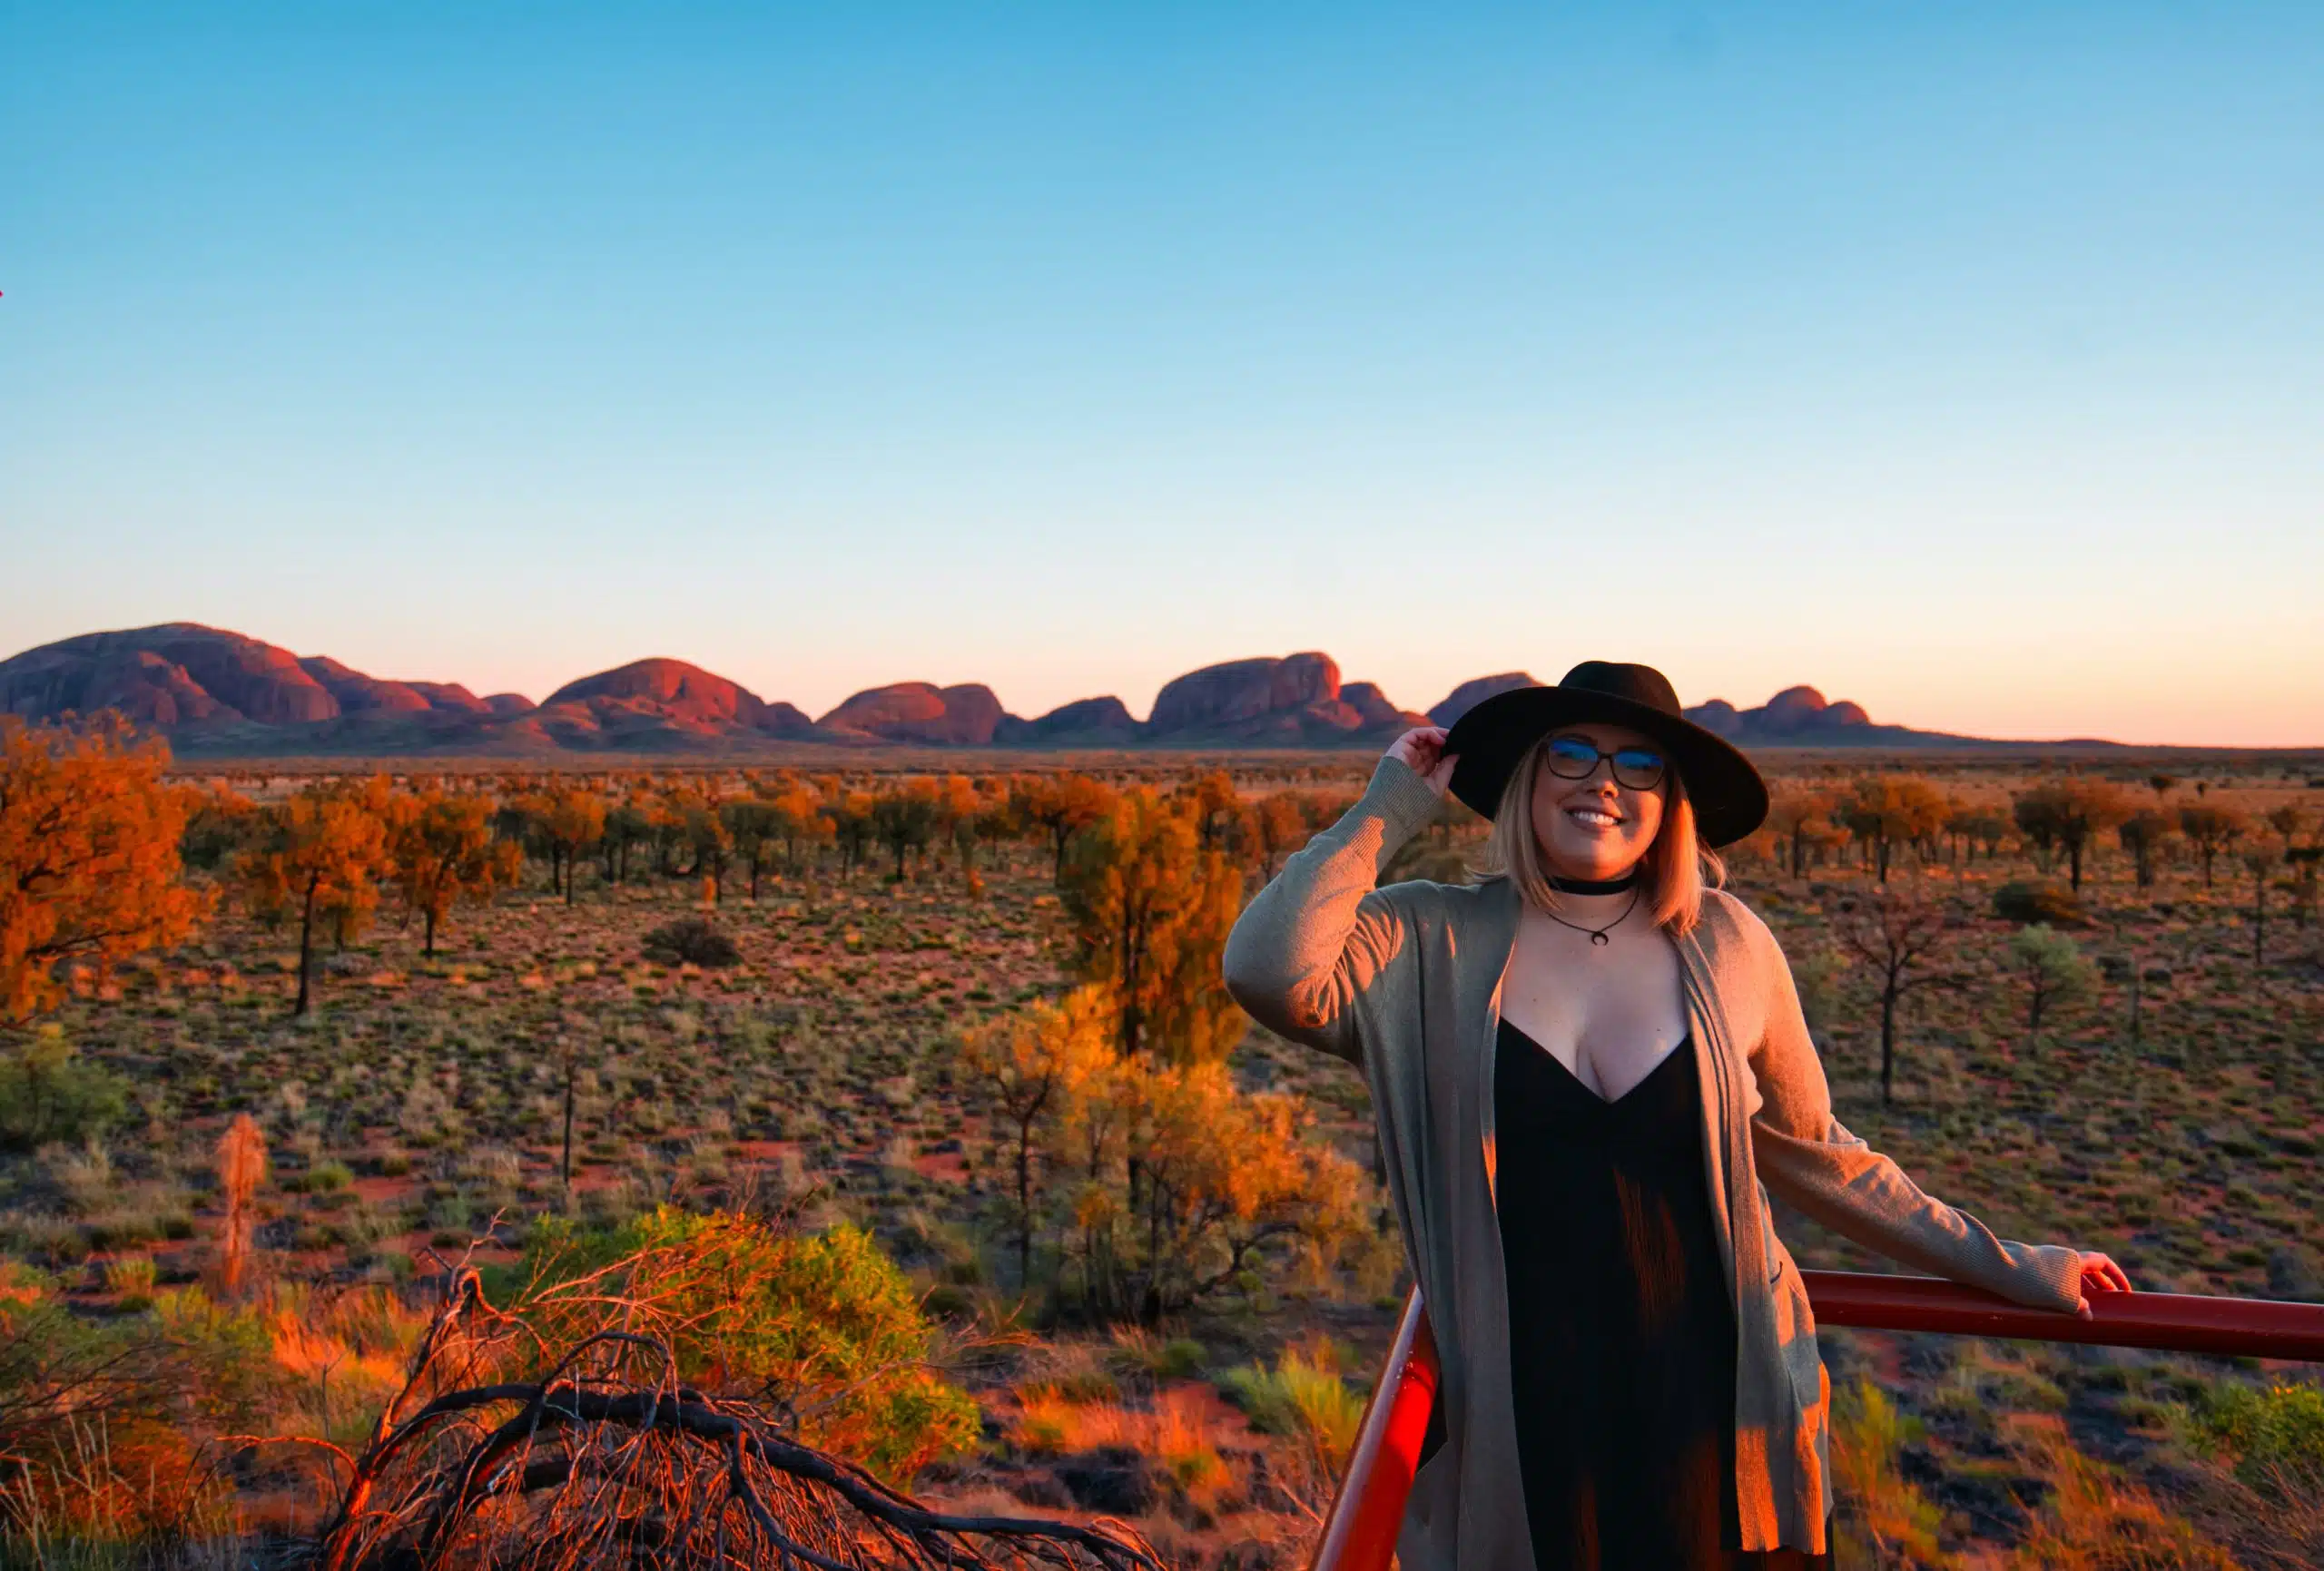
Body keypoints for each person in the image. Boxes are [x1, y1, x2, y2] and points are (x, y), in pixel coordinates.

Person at [1222, 661, 2130, 1571]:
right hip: (1527, 1410)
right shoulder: (1424, 938)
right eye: (1570, 753)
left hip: (1715, 1402)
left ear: (1670, 803)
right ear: (1526, 779)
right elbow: (1268, 970)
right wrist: (1387, 809)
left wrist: (2015, 1267)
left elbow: (1821, 1154)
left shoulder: (1727, 942)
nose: (1602, 784)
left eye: (1639, 765)